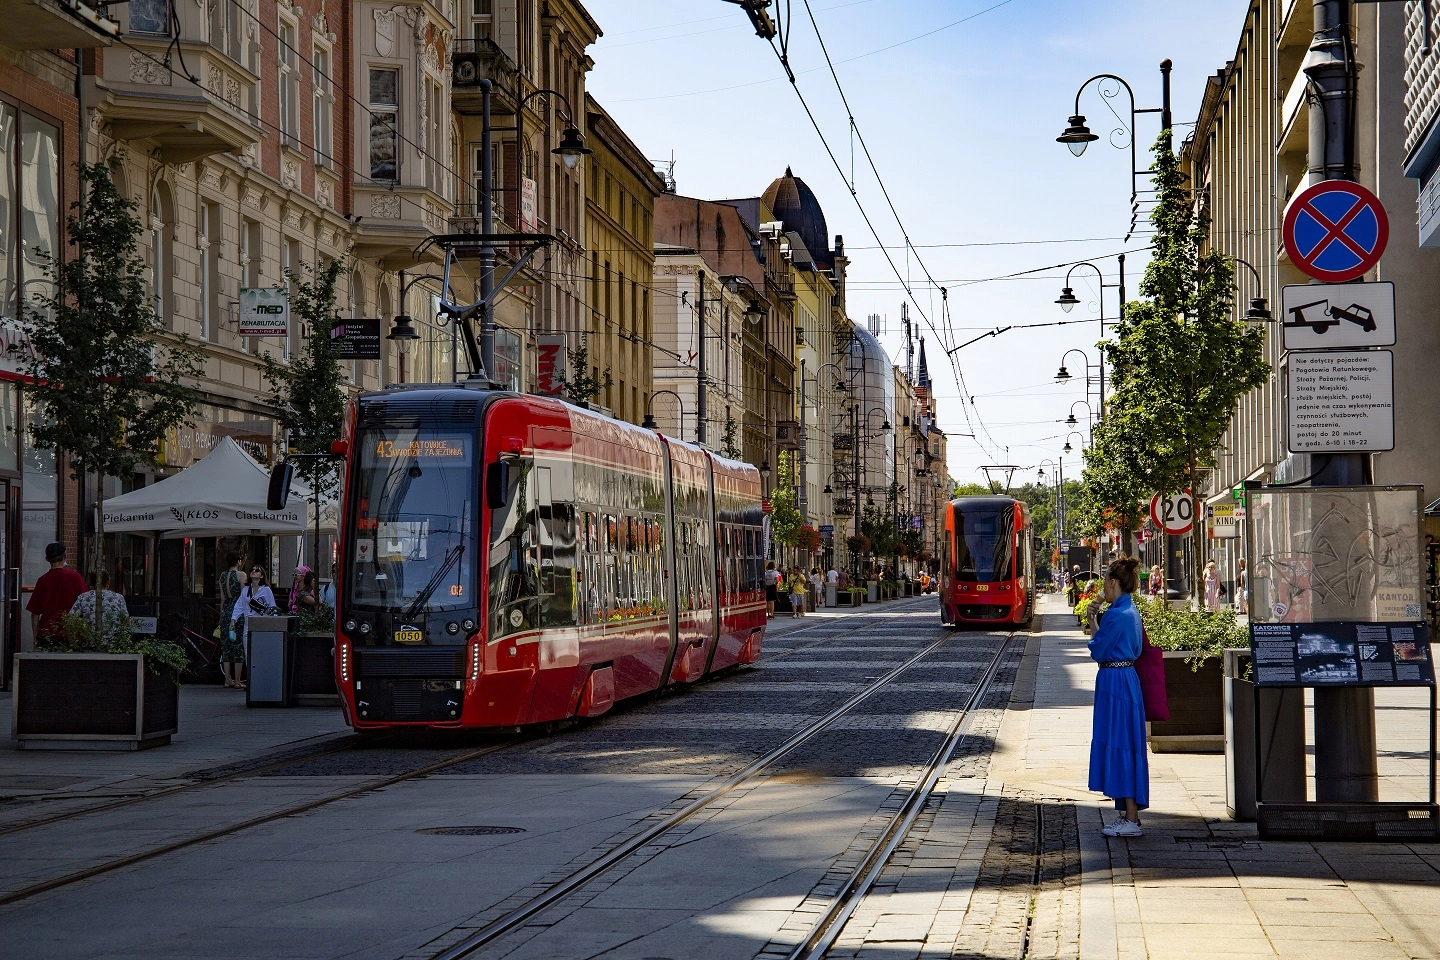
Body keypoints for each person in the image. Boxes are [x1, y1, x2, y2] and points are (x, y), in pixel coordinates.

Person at [1088, 556, 1149, 838]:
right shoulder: (1131, 610)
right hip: (1128, 679)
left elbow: (1098, 649)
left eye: (1105, 583)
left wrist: (1092, 618)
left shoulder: (1114, 614)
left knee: (1119, 743)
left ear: (1113, 583)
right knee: (1128, 744)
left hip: (1114, 681)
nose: (1103, 588)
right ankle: (1129, 815)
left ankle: (1131, 819)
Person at [27, 542, 89, 644]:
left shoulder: (42, 580)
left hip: (47, 633)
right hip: (70, 633)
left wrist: (35, 639)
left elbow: (35, 614)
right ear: (65, 557)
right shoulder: (75, 577)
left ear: (46, 559)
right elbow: (85, 603)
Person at [231, 564, 278, 675]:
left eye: (257, 570)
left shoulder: (266, 590)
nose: (253, 571)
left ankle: (261, 675)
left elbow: (272, 606)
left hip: (262, 623)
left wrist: (274, 623)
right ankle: (251, 678)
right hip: (249, 622)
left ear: (261, 575)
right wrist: (233, 619)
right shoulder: (246, 590)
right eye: (252, 570)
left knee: (261, 650)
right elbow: (239, 605)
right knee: (248, 651)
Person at [69, 570, 130, 641]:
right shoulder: (119, 598)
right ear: (109, 581)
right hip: (113, 643)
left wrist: (74, 641)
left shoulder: (83, 598)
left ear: (91, 583)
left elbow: (71, 620)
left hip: (89, 643)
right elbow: (125, 621)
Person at [218, 553, 247, 689]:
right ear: (238, 561)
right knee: (238, 645)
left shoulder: (222, 576)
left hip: (226, 611)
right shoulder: (241, 575)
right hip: (237, 611)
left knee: (226, 646)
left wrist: (221, 615)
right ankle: (237, 680)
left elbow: (222, 598)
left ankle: (227, 679)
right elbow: (243, 596)